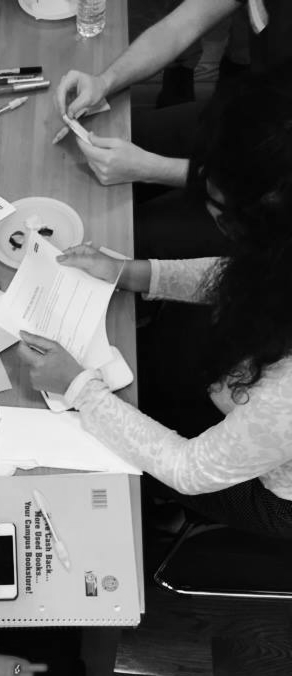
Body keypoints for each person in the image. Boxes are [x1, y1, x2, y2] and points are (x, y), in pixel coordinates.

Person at [20, 63, 292, 539]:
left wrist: (79, 389)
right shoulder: (277, 260)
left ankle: (163, 517)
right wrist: (135, 273)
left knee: (122, 435)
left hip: (268, 491)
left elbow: (188, 467)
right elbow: (247, 273)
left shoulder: (284, 398)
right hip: (247, 393)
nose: (207, 208)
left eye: (219, 210)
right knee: (149, 377)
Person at [55, 0, 292, 258]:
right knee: (118, 139)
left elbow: (267, 187)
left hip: (268, 211)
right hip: (241, 123)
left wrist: (152, 169)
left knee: (118, 239)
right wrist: (104, 82)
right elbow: (180, 26)